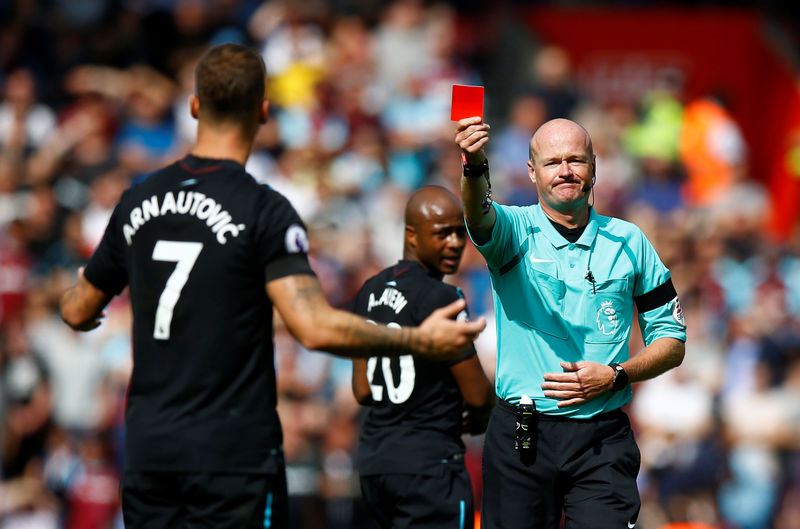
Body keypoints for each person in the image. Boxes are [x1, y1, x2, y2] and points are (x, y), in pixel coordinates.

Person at [58, 43, 485, 529]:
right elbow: (314, 328)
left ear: (195, 106)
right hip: (232, 450)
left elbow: (76, 310)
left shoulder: (137, 201)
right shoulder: (262, 209)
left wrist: (83, 300)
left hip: (149, 448)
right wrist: (417, 340)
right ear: (263, 111)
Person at [454, 116, 686, 529]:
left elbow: (672, 340)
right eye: (552, 162)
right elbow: (478, 213)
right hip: (523, 434)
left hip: (602, 437)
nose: (565, 171)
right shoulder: (513, 230)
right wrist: (474, 166)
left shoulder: (630, 241)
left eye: (576, 160)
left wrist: (617, 375)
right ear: (531, 172)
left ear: (594, 166)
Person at [351, 185, 494, 529]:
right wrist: (482, 413)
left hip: (375, 465)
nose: (456, 243)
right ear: (411, 235)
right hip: (430, 465)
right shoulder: (443, 298)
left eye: (461, 232)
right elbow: (477, 395)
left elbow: (363, 391)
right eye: (443, 233)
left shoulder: (369, 290)